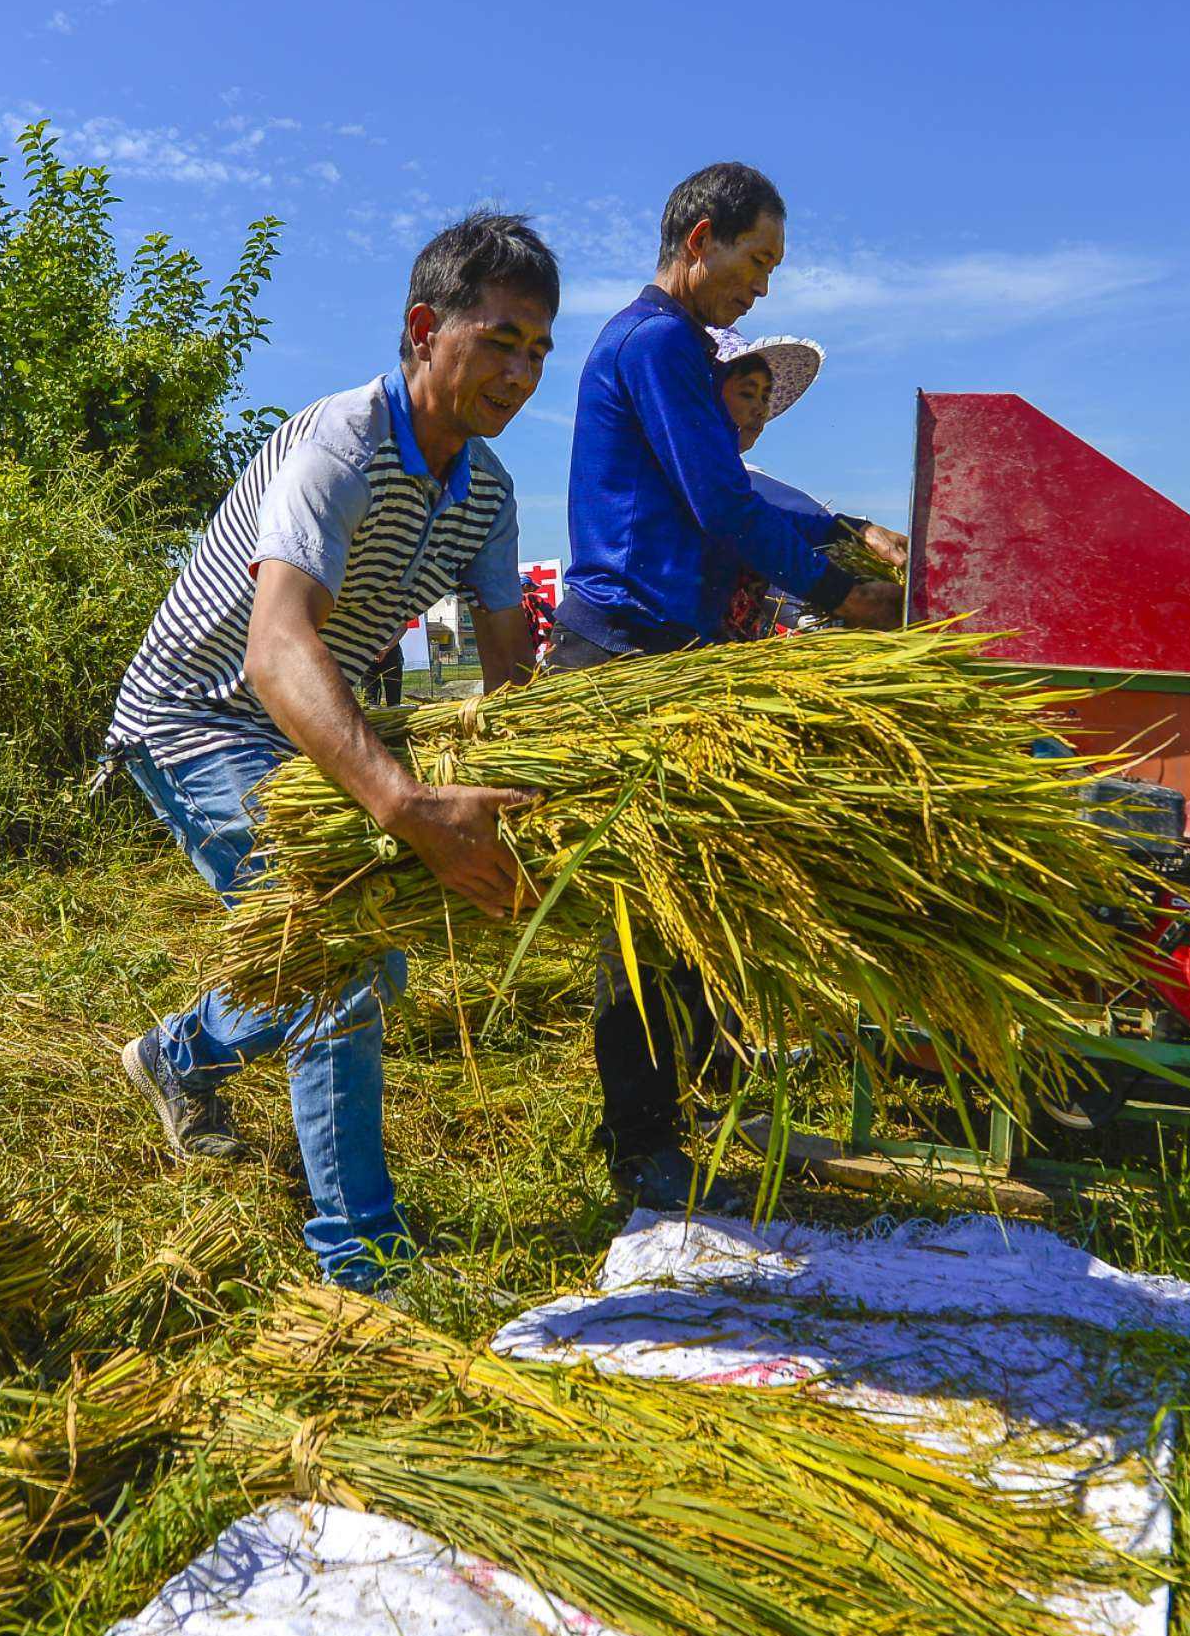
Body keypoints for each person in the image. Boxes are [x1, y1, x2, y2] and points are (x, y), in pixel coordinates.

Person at [105, 212, 554, 1290]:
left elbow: (505, 676)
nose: (521, 370)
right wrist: (405, 807)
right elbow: (273, 649)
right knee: (342, 960)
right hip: (197, 712)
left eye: (539, 350)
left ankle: (174, 1054)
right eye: (499, 338)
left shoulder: (484, 492)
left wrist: (543, 780)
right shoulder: (340, 447)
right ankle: (364, 1258)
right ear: (421, 328)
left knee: (364, 955)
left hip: (296, 717)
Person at [554, 162, 905, 1210]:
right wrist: (845, 592)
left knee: (690, 901)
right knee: (647, 919)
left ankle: (670, 1111)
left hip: (667, 652)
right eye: (755, 263)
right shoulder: (658, 339)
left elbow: (745, 493)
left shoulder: (670, 347)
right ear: (701, 236)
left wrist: (844, 533)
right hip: (626, 654)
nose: (760, 289)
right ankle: (643, 1150)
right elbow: (721, 503)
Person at [699, 329, 907, 639]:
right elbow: (752, 527)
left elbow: (781, 523)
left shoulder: (745, 484)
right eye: (747, 393)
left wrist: (852, 531)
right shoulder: (696, 480)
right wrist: (848, 598)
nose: (760, 408)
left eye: (765, 396)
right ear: (708, 396)